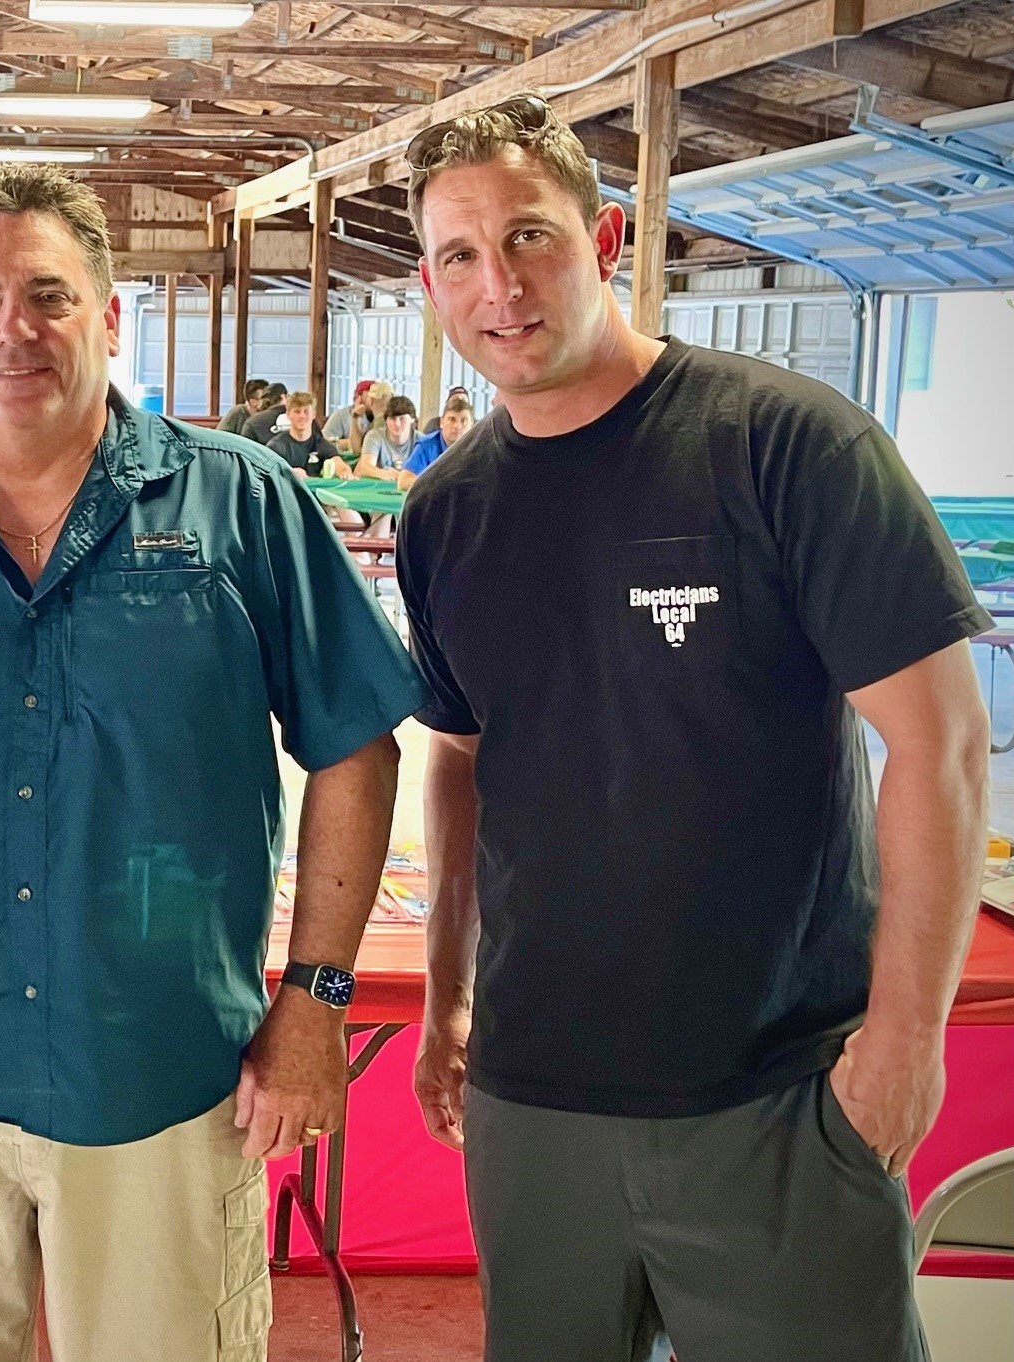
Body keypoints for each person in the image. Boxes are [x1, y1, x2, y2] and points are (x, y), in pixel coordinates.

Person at [0, 163, 425, 1362]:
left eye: (46, 295)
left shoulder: (236, 503)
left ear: (105, 315)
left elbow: (356, 748)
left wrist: (314, 997)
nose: (13, 330)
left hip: (169, 1073)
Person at [396, 94, 991, 1361]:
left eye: (529, 239)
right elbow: (456, 762)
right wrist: (448, 997)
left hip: (770, 1092)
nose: (497, 285)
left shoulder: (783, 447)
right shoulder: (444, 513)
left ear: (605, 239)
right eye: (457, 255)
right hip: (534, 1099)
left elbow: (935, 744)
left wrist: (901, 1044)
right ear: (429, 281)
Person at [398, 395, 472, 488]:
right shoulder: (426, 446)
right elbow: (403, 482)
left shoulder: (478, 449)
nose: (457, 425)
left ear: (471, 425)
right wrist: (439, 483)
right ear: (441, 422)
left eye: (463, 420)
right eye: (452, 419)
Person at [266, 390, 342, 478]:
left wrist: (342, 470)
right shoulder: (276, 446)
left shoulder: (321, 444)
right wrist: (289, 472)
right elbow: (268, 473)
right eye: (297, 412)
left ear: (313, 414)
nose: (302, 416)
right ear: (288, 415)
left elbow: (337, 461)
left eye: (306, 411)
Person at [354, 395, 417, 482]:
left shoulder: (422, 441)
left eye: (402, 419)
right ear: (386, 420)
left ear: (412, 419)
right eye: (393, 419)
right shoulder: (374, 436)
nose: (397, 424)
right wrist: (382, 473)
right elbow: (365, 467)